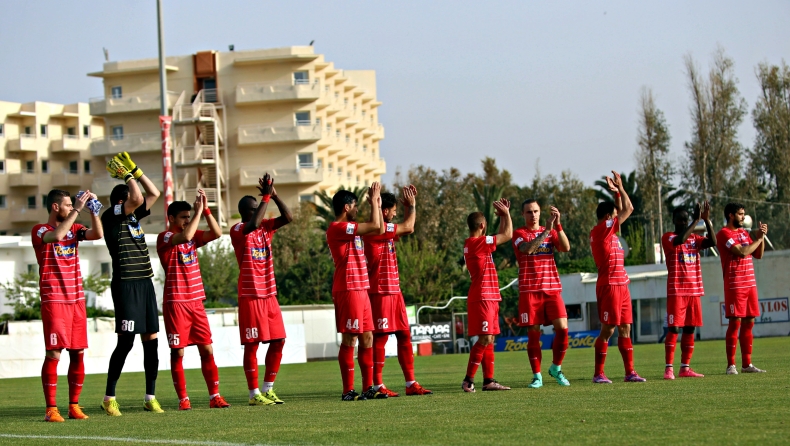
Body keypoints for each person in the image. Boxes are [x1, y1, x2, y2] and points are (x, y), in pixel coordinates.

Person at [100, 152, 162, 416]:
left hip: (144, 283)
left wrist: (135, 170)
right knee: (126, 342)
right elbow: (136, 197)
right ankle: (109, 397)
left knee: (151, 341)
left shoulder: (133, 217)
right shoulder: (111, 215)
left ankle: (150, 396)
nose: (136, 203)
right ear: (120, 201)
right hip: (125, 284)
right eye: (129, 199)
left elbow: (154, 193)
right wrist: (126, 176)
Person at [33, 189, 103, 422]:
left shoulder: (74, 229)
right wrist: (77, 209)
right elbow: (56, 237)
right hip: (54, 300)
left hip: (76, 300)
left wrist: (94, 212)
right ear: (55, 207)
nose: (71, 208)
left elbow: (97, 235)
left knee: (78, 353)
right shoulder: (41, 230)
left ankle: (74, 405)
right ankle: (51, 408)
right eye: (66, 205)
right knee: (54, 352)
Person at [157, 190, 230, 409]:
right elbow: (186, 236)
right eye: (183, 217)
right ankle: (183, 399)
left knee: (207, 349)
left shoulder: (191, 237)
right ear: (171, 219)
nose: (187, 221)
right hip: (176, 302)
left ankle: (214, 396)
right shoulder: (166, 237)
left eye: (189, 217)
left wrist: (206, 210)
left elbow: (217, 233)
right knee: (178, 351)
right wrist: (198, 211)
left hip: (196, 301)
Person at [363, 185, 433, 397]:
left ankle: (411, 383)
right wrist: (411, 206)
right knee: (381, 338)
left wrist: (404, 208)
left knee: (404, 335)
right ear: (384, 212)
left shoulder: (387, 231)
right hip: (380, 291)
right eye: (393, 211)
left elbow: (404, 228)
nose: (395, 214)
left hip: (394, 291)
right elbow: (409, 227)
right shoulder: (377, 229)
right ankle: (377, 385)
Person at [230, 174, 293, 405]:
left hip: (269, 295)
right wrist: (266, 195)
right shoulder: (238, 229)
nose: (261, 210)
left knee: (279, 340)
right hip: (251, 295)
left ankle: (268, 389)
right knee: (252, 344)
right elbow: (254, 224)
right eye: (256, 207)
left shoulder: (267, 228)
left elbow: (288, 217)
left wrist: (274, 196)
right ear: (247, 211)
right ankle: (253, 394)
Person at [326, 182, 387, 401]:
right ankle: (347, 391)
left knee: (368, 337)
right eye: (355, 206)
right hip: (348, 288)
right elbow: (374, 226)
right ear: (346, 207)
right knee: (350, 338)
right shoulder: (337, 228)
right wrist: (374, 201)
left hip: (361, 288)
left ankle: (368, 388)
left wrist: (376, 203)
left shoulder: (353, 229)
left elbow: (378, 228)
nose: (357, 209)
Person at [590, 171, 646, 384]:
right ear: (607, 218)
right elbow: (628, 209)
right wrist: (621, 189)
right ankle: (598, 374)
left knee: (625, 328)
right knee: (608, 329)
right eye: (614, 216)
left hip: (622, 285)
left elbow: (622, 209)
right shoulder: (599, 232)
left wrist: (617, 193)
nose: (617, 219)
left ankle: (630, 372)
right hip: (609, 286)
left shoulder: (610, 234)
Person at [512, 200, 571, 389]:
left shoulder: (552, 232)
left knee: (563, 329)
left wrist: (558, 225)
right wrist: (546, 231)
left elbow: (566, 247)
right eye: (529, 212)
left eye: (536, 211)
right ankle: (537, 376)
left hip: (552, 288)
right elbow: (527, 249)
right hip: (530, 292)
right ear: (523, 214)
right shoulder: (519, 234)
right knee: (533, 335)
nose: (533, 215)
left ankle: (556, 368)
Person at [461, 198, 513, 392]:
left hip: (489, 296)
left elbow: (499, 234)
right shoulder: (478, 244)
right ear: (482, 226)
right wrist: (506, 213)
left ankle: (489, 381)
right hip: (483, 296)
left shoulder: (477, 243)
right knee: (484, 339)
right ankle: (468, 380)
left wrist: (501, 217)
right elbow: (507, 234)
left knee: (489, 339)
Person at [661, 202, 716, 379]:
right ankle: (669, 368)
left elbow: (713, 242)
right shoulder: (668, 237)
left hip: (694, 290)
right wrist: (695, 221)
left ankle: (685, 368)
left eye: (685, 220)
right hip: (677, 291)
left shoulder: (695, 239)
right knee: (674, 329)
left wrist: (706, 221)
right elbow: (680, 240)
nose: (683, 223)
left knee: (690, 329)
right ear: (673, 220)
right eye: (680, 220)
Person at [716, 203, 768, 374]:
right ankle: (731, 365)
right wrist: (758, 240)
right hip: (735, 285)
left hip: (750, 285)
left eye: (744, 214)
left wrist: (760, 237)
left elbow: (758, 255)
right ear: (731, 215)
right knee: (735, 323)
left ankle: (747, 364)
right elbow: (742, 252)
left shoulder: (744, 233)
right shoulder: (724, 234)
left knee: (749, 323)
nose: (743, 217)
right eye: (740, 214)